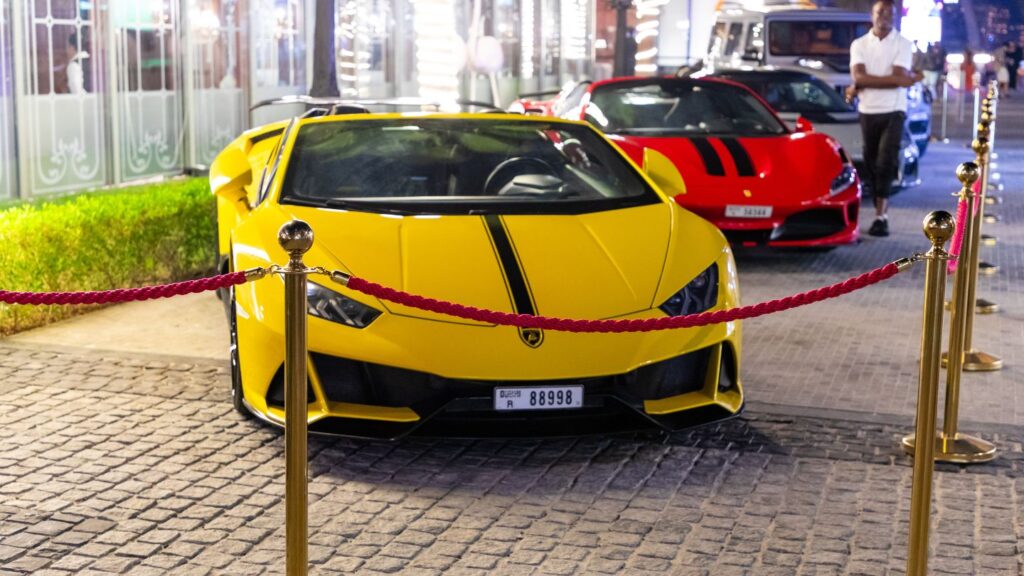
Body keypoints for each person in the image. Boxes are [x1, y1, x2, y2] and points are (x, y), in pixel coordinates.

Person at [846, 0, 921, 237]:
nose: (884, 17)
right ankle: (876, 204)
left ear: (896, 17)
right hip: (868, 110)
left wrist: (865, 81)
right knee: (869, 161)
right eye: (880, 12)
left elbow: (895, 78)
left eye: (890, 13)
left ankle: (881, 216)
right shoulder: (859, 44)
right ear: (872, 15)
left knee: (885, 161)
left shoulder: (903, 44)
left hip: (894, 110)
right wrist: (892, 80)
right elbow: (860, 75)